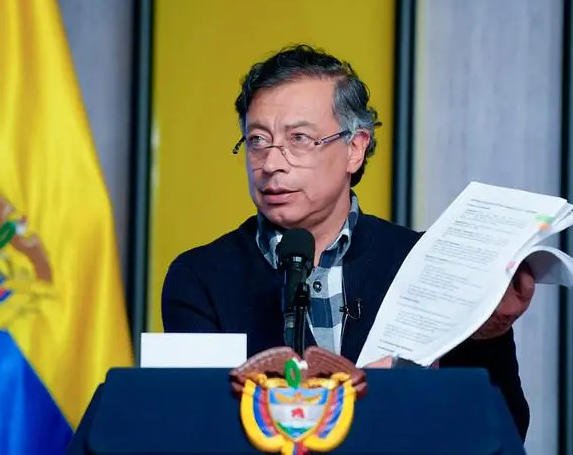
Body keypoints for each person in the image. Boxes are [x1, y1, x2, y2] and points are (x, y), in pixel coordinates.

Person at [160, 44, 535, 439]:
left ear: (355, 149)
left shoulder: (426, 264)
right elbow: (197, 429)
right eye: (257, 140)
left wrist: (489, 336)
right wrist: (368, 398)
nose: (270, 163)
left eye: (299, 138)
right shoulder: (199, 277)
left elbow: (500, 431)